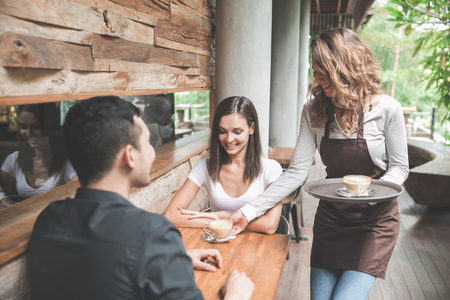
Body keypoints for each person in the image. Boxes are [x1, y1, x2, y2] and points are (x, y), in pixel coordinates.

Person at [230, 28, 409, 299]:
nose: (317, 79)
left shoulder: (388, 109)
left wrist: (374, 192)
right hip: (332, 220)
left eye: (323, 71)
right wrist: (249, 211)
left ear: (345, 67)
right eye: (315, 71)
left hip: (375, 222)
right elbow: (298, 172)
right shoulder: (313, 110)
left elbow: (400, 167)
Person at [29, 96, 254, 300]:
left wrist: (170, 258)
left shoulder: (49, 220)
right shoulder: (152, 235)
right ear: (130, 156)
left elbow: (102, 266)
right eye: (148, 142)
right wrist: (237, 294)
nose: (153, 151)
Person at [165, 96, 283, 234]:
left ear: (252, 128)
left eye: (237, 132)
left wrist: (223, 217)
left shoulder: (271, 169)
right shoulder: (205, 167)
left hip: (258, 251)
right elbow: (171, 215)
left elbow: (270, 225)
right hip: (219, 248)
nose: (229, 139)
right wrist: (218, 221)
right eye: (222, 131)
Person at [0, 103, 77, 209]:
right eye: (23, 127)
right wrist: (3, 199)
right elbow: (2, 190)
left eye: (36, 127)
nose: (29, 133)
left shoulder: (65, 159)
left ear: (50, 128)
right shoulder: (14, 159)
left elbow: (79, 187)